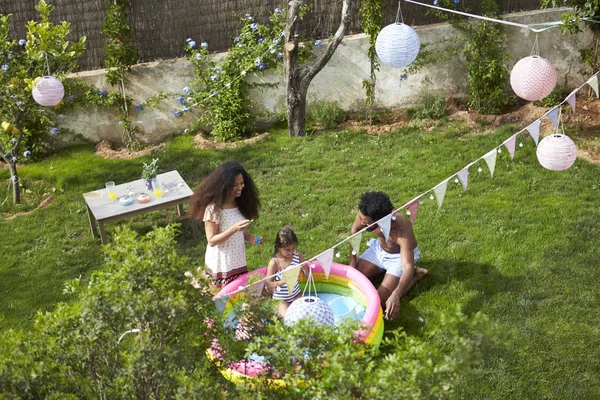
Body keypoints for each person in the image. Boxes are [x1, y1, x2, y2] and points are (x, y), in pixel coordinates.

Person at [350, 191, 427, 320]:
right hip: (378, 249)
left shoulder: (401, 228)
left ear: (381, 221)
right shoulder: (366, 213)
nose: (362, 223)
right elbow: (354, 231)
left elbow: (407, 265)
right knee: (353, 281)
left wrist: (396, 294)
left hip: (398, 258)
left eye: (367, 223)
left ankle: (416, 276)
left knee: (379, 303)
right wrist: (352, 261)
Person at [189, 161, 263, 288]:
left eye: (242, 183)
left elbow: (243, 231)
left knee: (237, 295)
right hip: (221, 263)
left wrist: (253, 239)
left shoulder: (241, 204)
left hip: (237, 260)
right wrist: (233, 229)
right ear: (224, 185)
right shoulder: (213, 209)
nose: (240, 187)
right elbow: (211, 240)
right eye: (235, 185)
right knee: (221, 299)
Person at [266, 228, 307, 318]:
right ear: (279, 247)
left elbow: (308, 277)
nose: (291, 252)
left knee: (302, 315)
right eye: (287, 249)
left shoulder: (297, 256)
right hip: (280, 299)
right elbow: (268, 286)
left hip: (296, 294)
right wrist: (284, 281)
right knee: (287, 318)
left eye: (294, 248)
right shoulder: (275, 263)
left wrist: (305, 269)